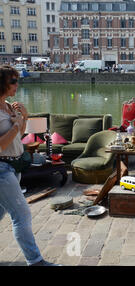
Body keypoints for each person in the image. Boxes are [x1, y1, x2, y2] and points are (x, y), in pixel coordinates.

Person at [0, 65, 60, 266]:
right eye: (13, 81)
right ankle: (35, 261)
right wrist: (16, 123)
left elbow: (19, 135)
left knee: (1, 211)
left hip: (13, 167)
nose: (17, 85)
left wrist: (24, 118)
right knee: (22, 214)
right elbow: (1, 145)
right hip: (1, 168)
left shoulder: (8, 106)